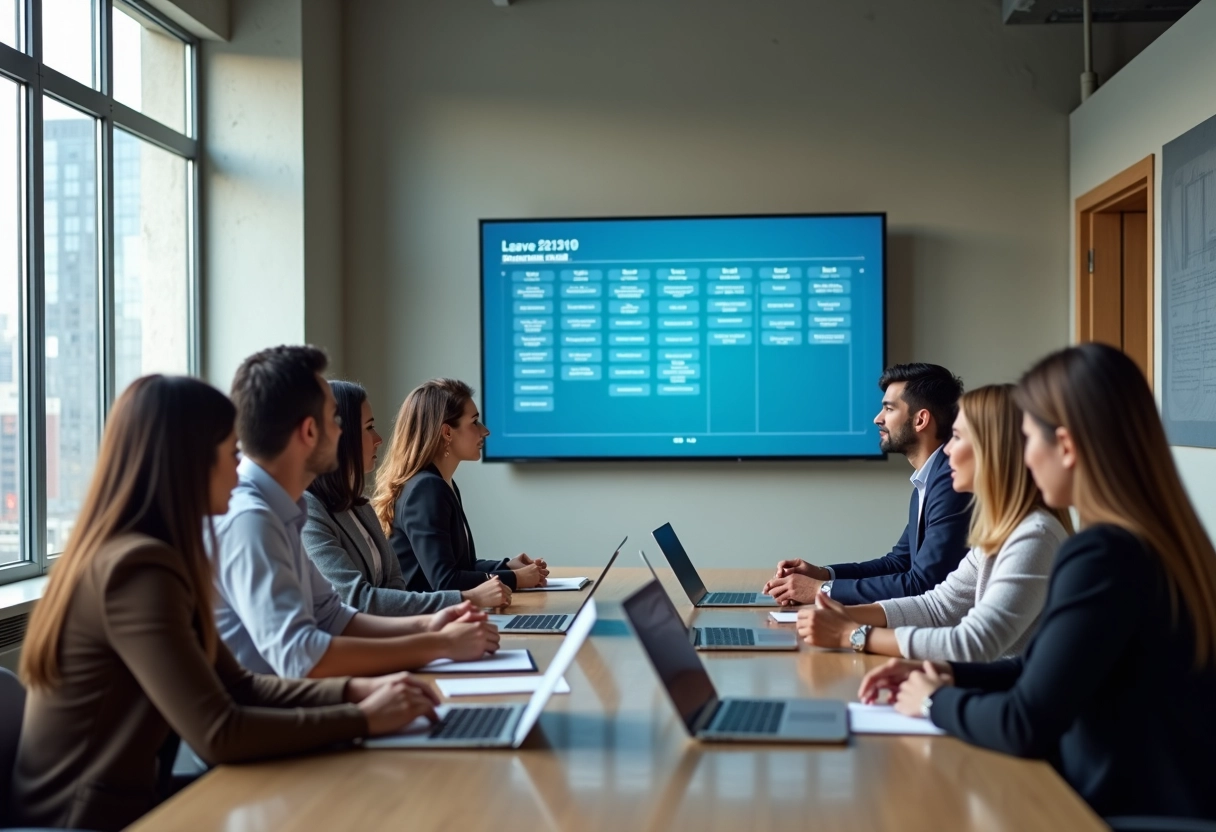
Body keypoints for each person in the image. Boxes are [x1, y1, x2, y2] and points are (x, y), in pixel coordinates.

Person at [8, 376, 439, 832]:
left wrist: (356, 692)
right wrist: (361, 718)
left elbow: (240, 686)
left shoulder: (161, 553)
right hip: (90, 821)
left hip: (136, 802)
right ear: (188, 462)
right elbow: (218, 731)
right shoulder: (135, 569)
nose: (241, 469)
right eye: (232, 453)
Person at [859, 344, 1216, 821]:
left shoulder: (1102, 555)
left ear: (1065, 447)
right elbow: (1044, 666)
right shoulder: (1153, 541)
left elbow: (1024, 722)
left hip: (1119, 813)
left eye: (1027, 440)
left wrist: (934, 700)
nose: (1021, 457)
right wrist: (953, 674)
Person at [210, 347, 500, 680]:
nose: (343, 433)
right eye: (336, 421)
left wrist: (427, 624)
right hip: (275, 716)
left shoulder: (287, 507)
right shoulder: (252, 519)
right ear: (309, 432)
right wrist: (437, 645)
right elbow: (301, 657)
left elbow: (333, 616)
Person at [796, 384, 1071, 660]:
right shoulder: (1003, 530)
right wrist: (840, 612)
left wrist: (852, 633)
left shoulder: (1034, 536)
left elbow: (973, 643)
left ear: (992, 451)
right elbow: (938, 606)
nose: (947, 450)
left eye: (957, 437)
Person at [764, 363, 972, 605]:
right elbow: (899, 563)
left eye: (889, 409)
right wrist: (824, 574)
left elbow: (922, 584)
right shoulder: (930, 478)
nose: (877, 419)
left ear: (921, 420)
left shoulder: (951, 482)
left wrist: (822, 590)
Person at [304, 381, 512, 614]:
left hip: (395, 633)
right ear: (339, 436)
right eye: (369, 427)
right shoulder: (308, 512)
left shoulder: (359, 504)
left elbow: (395, 583)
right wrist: (468, 598)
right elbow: (358, 600)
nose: (379, 439)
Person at [372, 378, 549, 593]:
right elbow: (445, 582)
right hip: (426, 622)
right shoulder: (427, 490)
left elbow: (460, 567)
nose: (485, 431)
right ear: (447, 432)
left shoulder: (442, 483)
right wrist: (515, 578)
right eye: (474, 422)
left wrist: (506, 566)